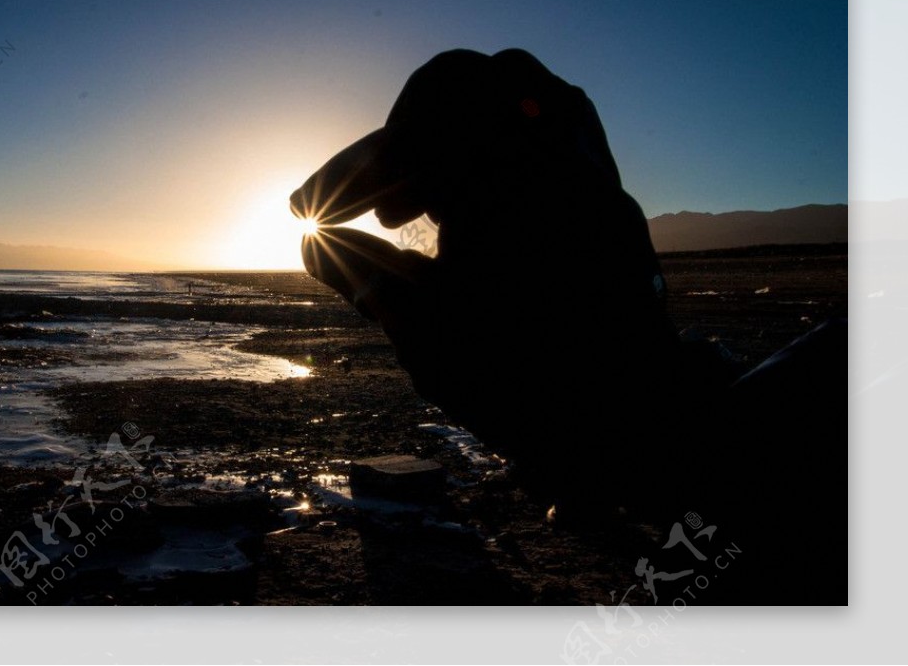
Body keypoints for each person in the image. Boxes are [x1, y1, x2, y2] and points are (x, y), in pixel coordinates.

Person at [291, 49, 846, 604]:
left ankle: (598, 489)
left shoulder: (479, 293)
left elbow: (313, 212)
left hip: (667, 450)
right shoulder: (584, 211)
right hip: (680, 437)